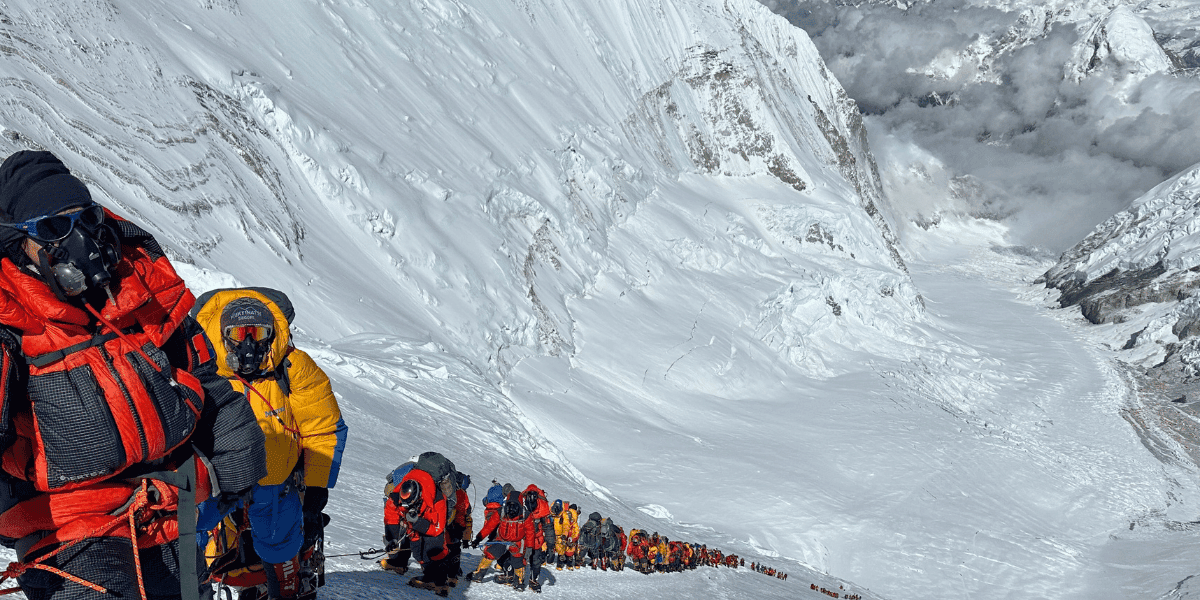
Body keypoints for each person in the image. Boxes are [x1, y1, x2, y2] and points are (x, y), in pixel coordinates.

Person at [0, 150, 267, 600]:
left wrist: (237, 453)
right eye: (52, 229)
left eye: (85, 219)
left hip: (164, 499)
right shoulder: (9, 321)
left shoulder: (140, 288)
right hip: (69, 523)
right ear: (15, 245)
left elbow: (203, 376)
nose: (78, 239)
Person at [193, 289, 348, 600]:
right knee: (187, 534)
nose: (249, 344)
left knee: (280, 542)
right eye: (239, 334)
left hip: (275, 481)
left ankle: (283, 591)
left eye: (258, 334)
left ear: (272, 335)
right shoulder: (202, 367)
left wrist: (316, 490)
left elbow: (322, 429)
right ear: (223, 337)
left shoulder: (293, 367)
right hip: (216, 482)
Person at [467, 491, 528, 590]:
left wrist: (529, 547)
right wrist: (478, 539)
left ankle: (519, 582)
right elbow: (489, 527)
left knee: (519, 560)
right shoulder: (501, 511)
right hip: (502, 540)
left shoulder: (525, 515)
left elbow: (530, 532)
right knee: (490, 552)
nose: (512, 509)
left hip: (518, 542)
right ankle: (479, 574)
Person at [520, 485, 554, 593]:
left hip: (530, 539)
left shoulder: (542, 510)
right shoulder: (543, 510)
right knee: (531, 560)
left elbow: (548, 529)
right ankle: (528, 580)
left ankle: (527, 579)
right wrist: (550, 547)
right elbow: (548, 529)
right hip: (531, 538)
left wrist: (550, 547)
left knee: (530, 559)